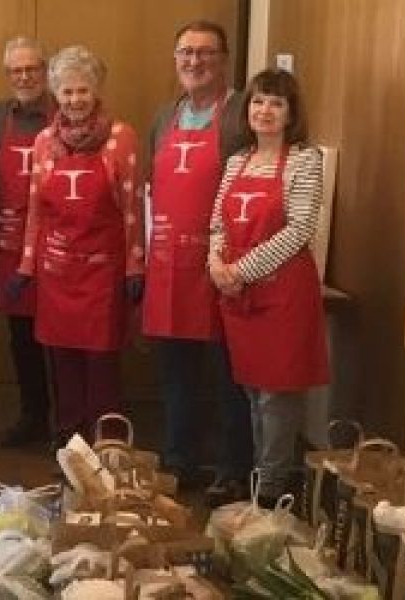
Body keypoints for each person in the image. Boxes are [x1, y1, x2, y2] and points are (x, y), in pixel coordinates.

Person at [7, 45, 144, 444]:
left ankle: (107, 446)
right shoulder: (44, 142)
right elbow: (36, 209)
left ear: (96, 91)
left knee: (102, 363)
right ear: (56, 94)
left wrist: (135, 265)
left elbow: (133, 208)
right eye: (67, 92)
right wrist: (26, 265)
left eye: (82, 90)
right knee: (62, 361)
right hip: (56, 274)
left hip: (102, 273)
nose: (75, 100)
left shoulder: (121, 138)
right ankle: (70, 446)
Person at [144, 20, 253, 502]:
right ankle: (178, 460)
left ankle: (233, 468)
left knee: (230, 373)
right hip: (169, 263)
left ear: (223, 59)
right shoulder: (164, 117)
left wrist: (228, 256)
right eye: (185, 52)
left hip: (221, 260)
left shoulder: (240, 115)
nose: (194, 61)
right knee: (175, 372)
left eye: (205, 52)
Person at [208, 68, 328, 505]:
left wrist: (240, 270)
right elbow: (217, 222)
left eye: (277, 103)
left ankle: (271, 493)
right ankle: (261, 482)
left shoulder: (305, 161)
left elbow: (299, 229)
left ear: (291, 113)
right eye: (258, 101)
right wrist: (215, 263)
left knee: (277, 397)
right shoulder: (236, 161)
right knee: (252, 392)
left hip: (283, 296)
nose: (265, 110)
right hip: (238, 297)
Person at [0, 37, 55, 449]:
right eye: (16, 71)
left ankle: (68, 418)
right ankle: (33, 414)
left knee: (59, 336)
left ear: (45, 71)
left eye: (32, 69)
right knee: (21, 336)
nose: (24, 77)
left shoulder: (65, 111)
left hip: (59, 244)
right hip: (10, 245)